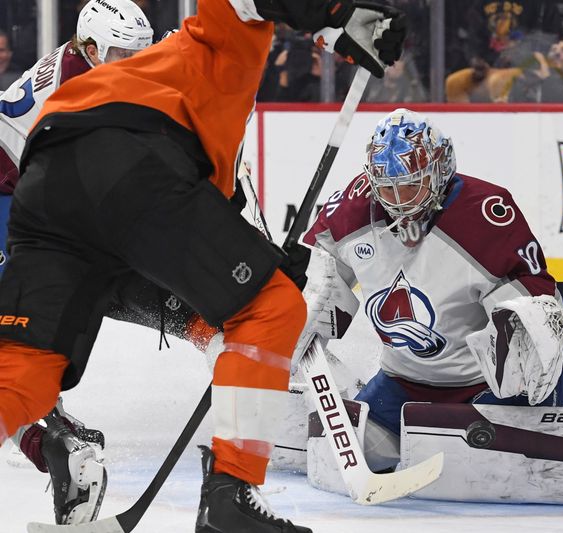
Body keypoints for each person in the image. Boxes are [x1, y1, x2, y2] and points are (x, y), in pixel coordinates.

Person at [0, 1, 406, 533]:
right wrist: (338, 13)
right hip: (113, 166)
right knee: (272, 307)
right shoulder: (207, 49)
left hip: (46, 189)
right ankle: (228, 499)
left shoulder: (134, 74)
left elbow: (207, 215)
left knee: (22, 371)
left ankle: (48, 434)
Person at [296, 108, 563, 471]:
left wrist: (520, 342)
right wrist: (300, 314)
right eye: (387, 188)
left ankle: (522, 421)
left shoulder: (484, 215)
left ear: (440, 170)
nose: (399, 200)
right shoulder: (352, 210)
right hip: (404, 384)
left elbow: (536, 307)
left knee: (488, 461)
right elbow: (318, 279)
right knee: (345, 455)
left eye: (411, 185)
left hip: (484, 386)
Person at [0, 0, 154, 524]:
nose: (133, 62)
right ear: (89, 49)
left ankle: (55, 439)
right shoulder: (72, 98)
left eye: (140, 52)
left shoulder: (90, 70)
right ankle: (56, 442)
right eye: (121, 54)